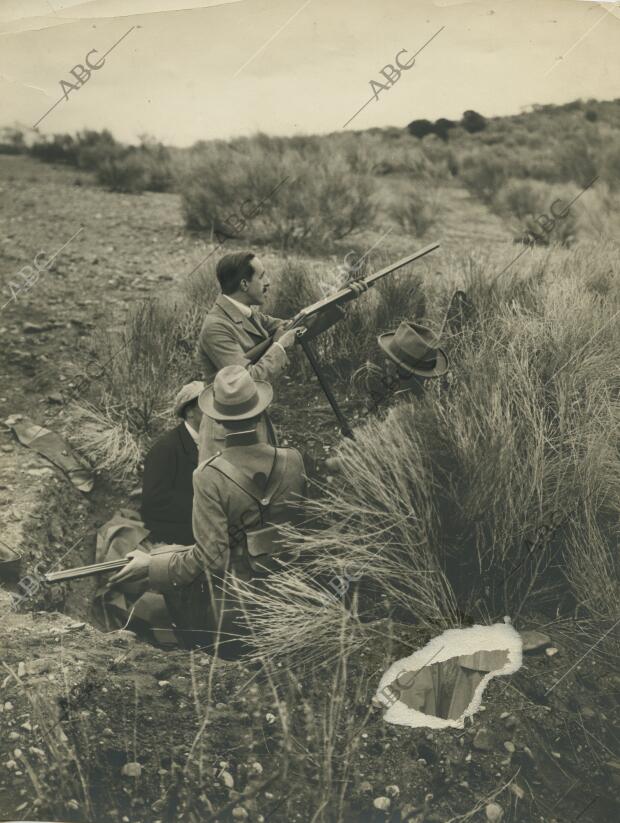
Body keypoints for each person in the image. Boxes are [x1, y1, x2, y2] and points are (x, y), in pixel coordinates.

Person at [110, 365, 307, 659]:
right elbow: (300, 533)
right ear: (260, 411)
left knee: (176, 596)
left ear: (216, 419)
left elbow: (211, 561)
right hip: (293, 600)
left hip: (236, 618)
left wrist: (153, 565)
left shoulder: (207, 475)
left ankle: (191, 648)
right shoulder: (293, 461)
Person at [140, 381, 204, 546]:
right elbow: (154, 501)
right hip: (176, 533)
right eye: (206, 404)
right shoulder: (166, 448)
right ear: (190, 412)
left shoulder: (212, 441)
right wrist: (205, 506)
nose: (214, 410)